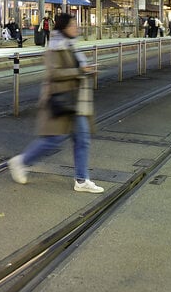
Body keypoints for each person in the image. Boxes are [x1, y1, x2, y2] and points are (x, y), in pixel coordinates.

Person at [8, 13, 104, 193]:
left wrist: (86, 71)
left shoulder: (71, 46)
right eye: (73, 25)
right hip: (61, 99)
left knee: (82, 139)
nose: (77, 28)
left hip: (76, 101)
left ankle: (82, 180)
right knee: (54, 139)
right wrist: (80, 71)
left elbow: (75, 70)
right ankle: (21, 162)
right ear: (64, 28)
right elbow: (54, 73)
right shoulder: (54, 48)